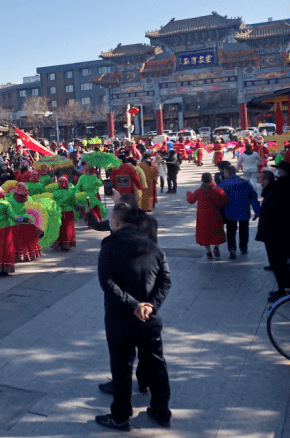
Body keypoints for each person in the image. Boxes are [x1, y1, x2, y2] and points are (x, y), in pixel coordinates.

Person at [95, 200, 172, 431]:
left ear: (116, 222)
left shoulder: (109, 245)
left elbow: (106, 282)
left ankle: (120, 417)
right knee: (157, 367)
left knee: (121, 367)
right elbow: (166, 280)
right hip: (150, 320)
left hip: (121, 319)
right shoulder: (153, 246)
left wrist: (133, 305)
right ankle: (161, 413)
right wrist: (150, 305)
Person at [255, 167, 290, 302]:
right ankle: (284, 289)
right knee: (278, 264)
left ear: (266, 181)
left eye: (259, 179)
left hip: (275, 235)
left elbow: (273, 216)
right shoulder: (275, 190)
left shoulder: (274, 192)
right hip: (275, 234)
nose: (258, 182)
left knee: (278, 264)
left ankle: (284, 291)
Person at [218, 165, 260, 259]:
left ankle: (232, 248)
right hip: (244, 211)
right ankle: (243, 248)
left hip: (229, 212)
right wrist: (257, 211)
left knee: (231, 231)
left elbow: (218, 199)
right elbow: (254, 197)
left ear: (227, 173)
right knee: (244, 230)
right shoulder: (246, 183)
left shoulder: (222, 184)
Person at [186, 173, 228, 259]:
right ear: (212, 179)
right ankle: (216, 248)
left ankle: (208, 253)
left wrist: (189, 193)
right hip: (216, 215)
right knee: (217, 232)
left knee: (204, 235)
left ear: (202, 180)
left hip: (203, 217)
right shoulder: (219, 190)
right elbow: (224, 202)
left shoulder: (199, 190)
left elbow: (191, 201)